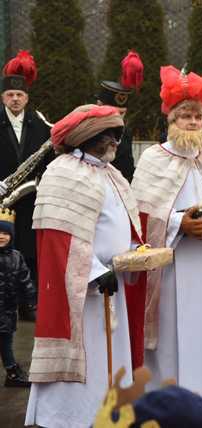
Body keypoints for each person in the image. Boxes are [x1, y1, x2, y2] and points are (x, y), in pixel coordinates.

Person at [25, 104, 143, 428]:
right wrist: (94, 271)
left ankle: (102, 417)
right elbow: (57, 236)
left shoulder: (113, 175)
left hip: (112, 286)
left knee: (108, 362)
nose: (116, 142)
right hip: (80, 294)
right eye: (109, 135)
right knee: (82, 363)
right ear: (86, 137)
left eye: (117, 135)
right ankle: (65, 419)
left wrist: (137, 251)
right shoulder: (63, 171)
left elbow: (125, 225)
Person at [130, 65, 202, 408]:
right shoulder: (153, 158)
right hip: (170, 270)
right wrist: (179, 225)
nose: (192, 123)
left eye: (198, 117)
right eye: (185, 117)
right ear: (171, 121)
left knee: (201, 339)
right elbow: (139, 218)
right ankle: (165, 410)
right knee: (170, 342)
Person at [0, 50, 52, 321]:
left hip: (31, 198)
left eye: (20, 95)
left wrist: (39, 183)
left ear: (27, 97)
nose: (15, 99)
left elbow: (47, 159)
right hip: (2, 199)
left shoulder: (40, 124)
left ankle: (28, 303)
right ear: (3, 97)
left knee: (30, 250)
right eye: (10, 95)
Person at [94, 51, 145, 182]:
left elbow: (127, 169)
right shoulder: (87, 130)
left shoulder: (125, 132)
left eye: (121, 113)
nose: (117, 118)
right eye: (112, 112)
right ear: (99, 105)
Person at [0, 208, 35, 387]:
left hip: (7, 310)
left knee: (6, 341)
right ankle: (12, 372)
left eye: (6, 233)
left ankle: (12, 373)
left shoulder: (16, 257)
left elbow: (25, 281)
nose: (1, 236)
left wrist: (31, 302)